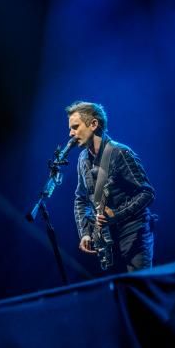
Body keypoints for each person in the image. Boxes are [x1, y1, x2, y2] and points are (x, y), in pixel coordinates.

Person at [67, 100, 156, 273]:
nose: (71, 133)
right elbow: (81, 199)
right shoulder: (82, 159)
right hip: (107, 239)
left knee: (140, 286)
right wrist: (85, 233)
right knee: (117, 289)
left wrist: (116, 214)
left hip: (133, 233)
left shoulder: (120, 152)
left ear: (93, 124)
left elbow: (147, 193)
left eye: (75, 127)